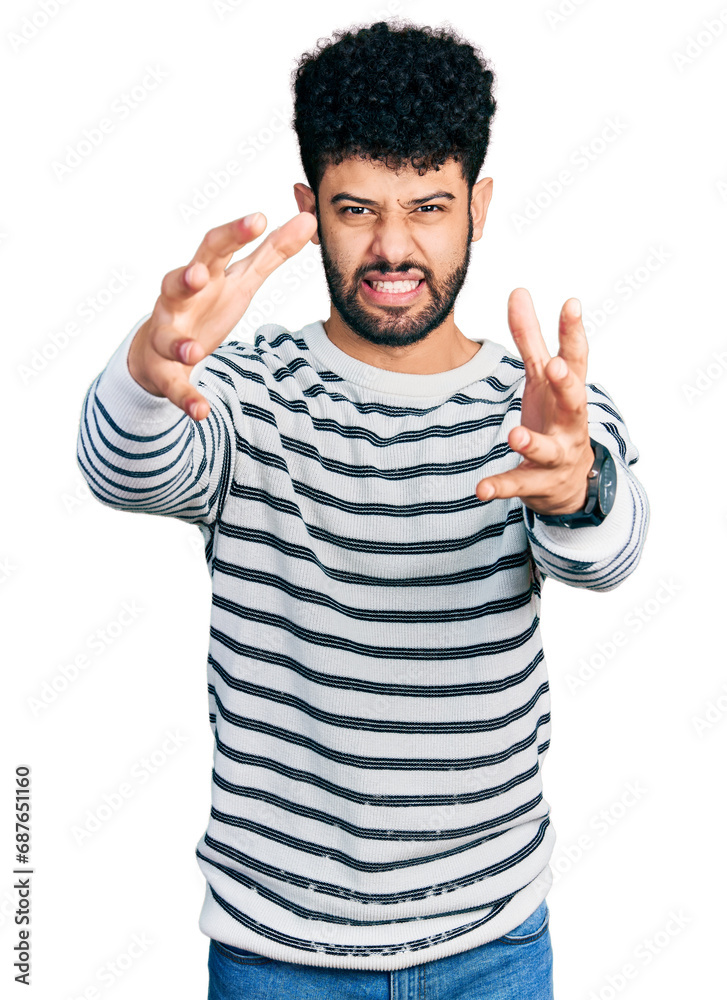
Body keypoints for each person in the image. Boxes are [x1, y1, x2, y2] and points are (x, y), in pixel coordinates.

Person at [75, 19, 649, 1000]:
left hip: (493, 946)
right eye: (356, 209)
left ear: (479, 205)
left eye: (428, 207)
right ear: (309, 209)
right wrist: (147, 368)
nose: (393, 248)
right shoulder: (245, 393)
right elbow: (122, 467)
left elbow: (608, 549)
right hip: (277, 958)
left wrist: (577, 483)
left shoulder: (544, 407)